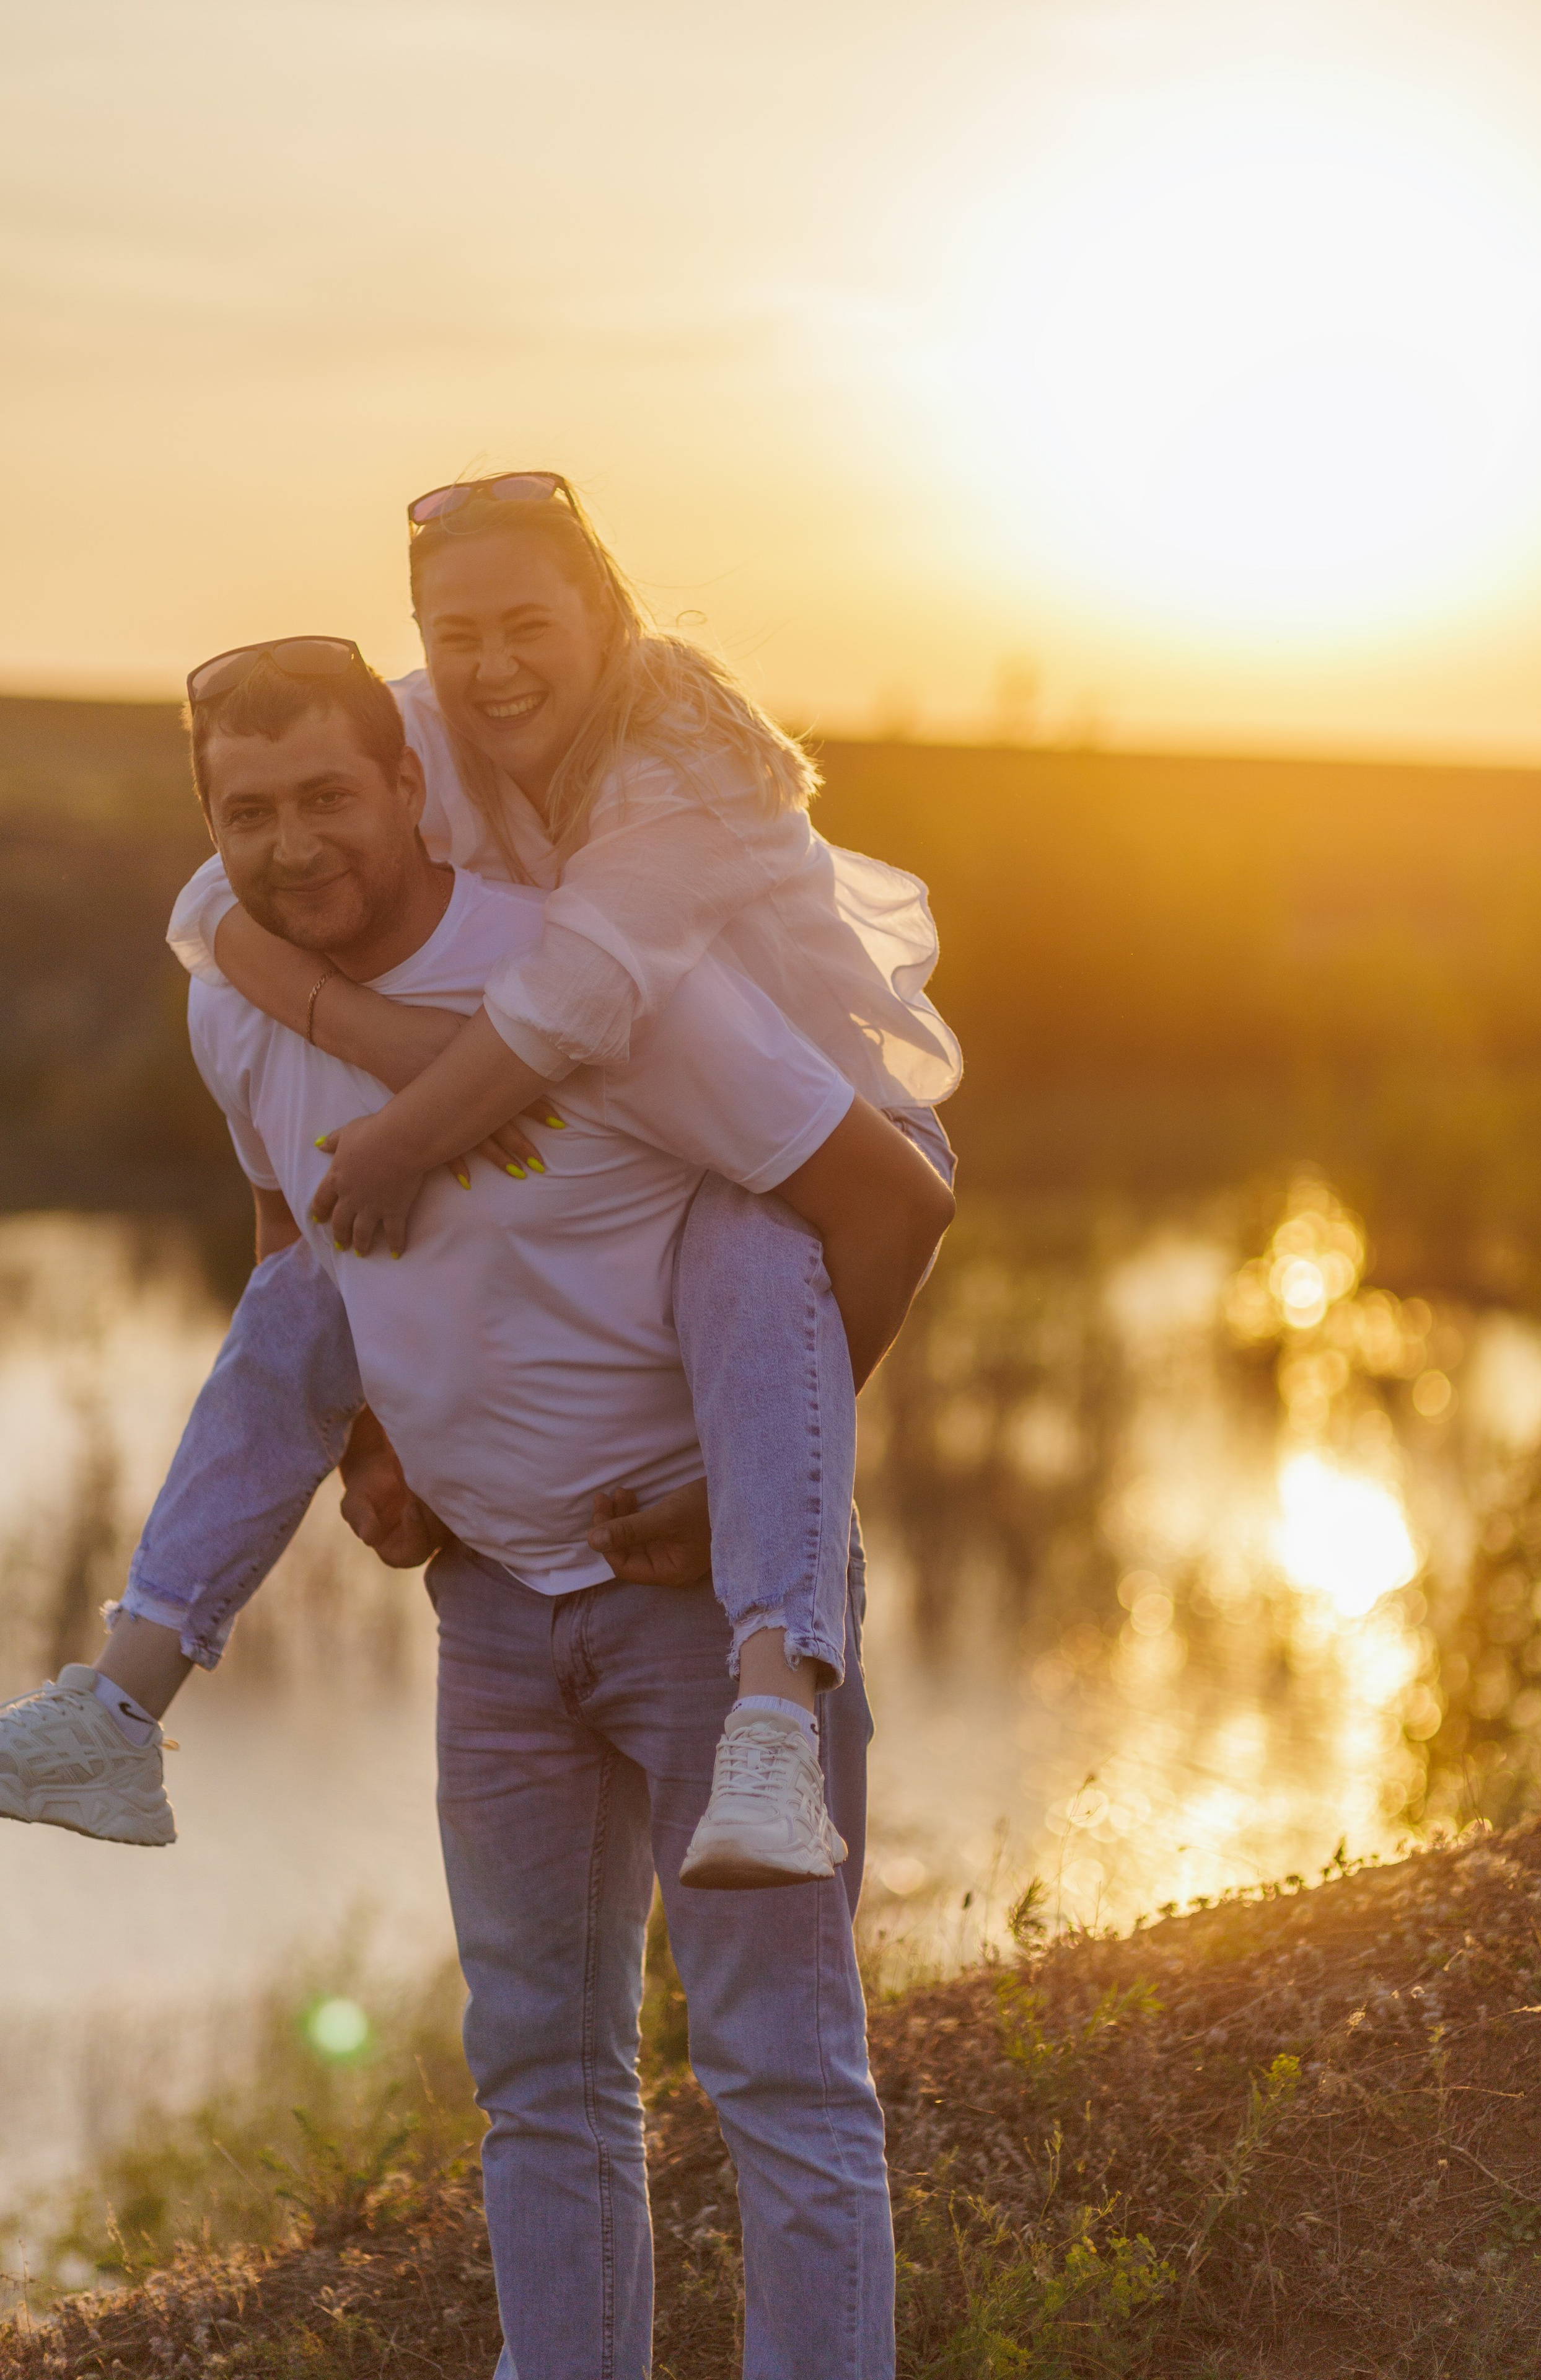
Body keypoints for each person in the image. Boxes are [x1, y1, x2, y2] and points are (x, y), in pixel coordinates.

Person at [1, 656, 949, 2377]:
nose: (293, 846)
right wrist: (374, 1447)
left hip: (698, 1615)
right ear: (211, 828)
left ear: (411, 788)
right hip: (498, 1619)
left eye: (328, 797)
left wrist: (761, 1491)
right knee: (538, 2083)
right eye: (249, 812)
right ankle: (118, 1699)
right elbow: (308, 1257)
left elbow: (871, 1203)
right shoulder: (235, 1000)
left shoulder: (599, 978)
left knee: (781, 2076)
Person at [156, 472, 959, 1880]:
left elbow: (566, 1015)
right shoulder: (423, 720)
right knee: (359, 1286)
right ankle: (119, 1686)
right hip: (631, 1120)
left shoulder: (683, 778)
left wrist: (405, 1129)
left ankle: (774, 1704)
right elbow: (218, 896)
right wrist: (386, 1427)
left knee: (742, 1253)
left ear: (607, 614)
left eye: (528, 625)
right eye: (453, 632)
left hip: (821, 1136)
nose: (489, 667)